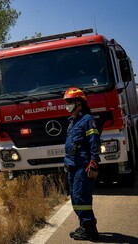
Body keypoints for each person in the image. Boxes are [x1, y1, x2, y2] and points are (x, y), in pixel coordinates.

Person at [63, 87, 101, 241]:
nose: (67, 105)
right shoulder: (73, 121)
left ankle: (90, 230)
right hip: (72, 165)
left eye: (70, 101)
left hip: (83, 166)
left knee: (81, 198)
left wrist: (93, 162)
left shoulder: (87, 120)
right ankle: (84, 225)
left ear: (79, 102)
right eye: (66, 102)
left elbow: (94, 142)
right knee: (75, 197)